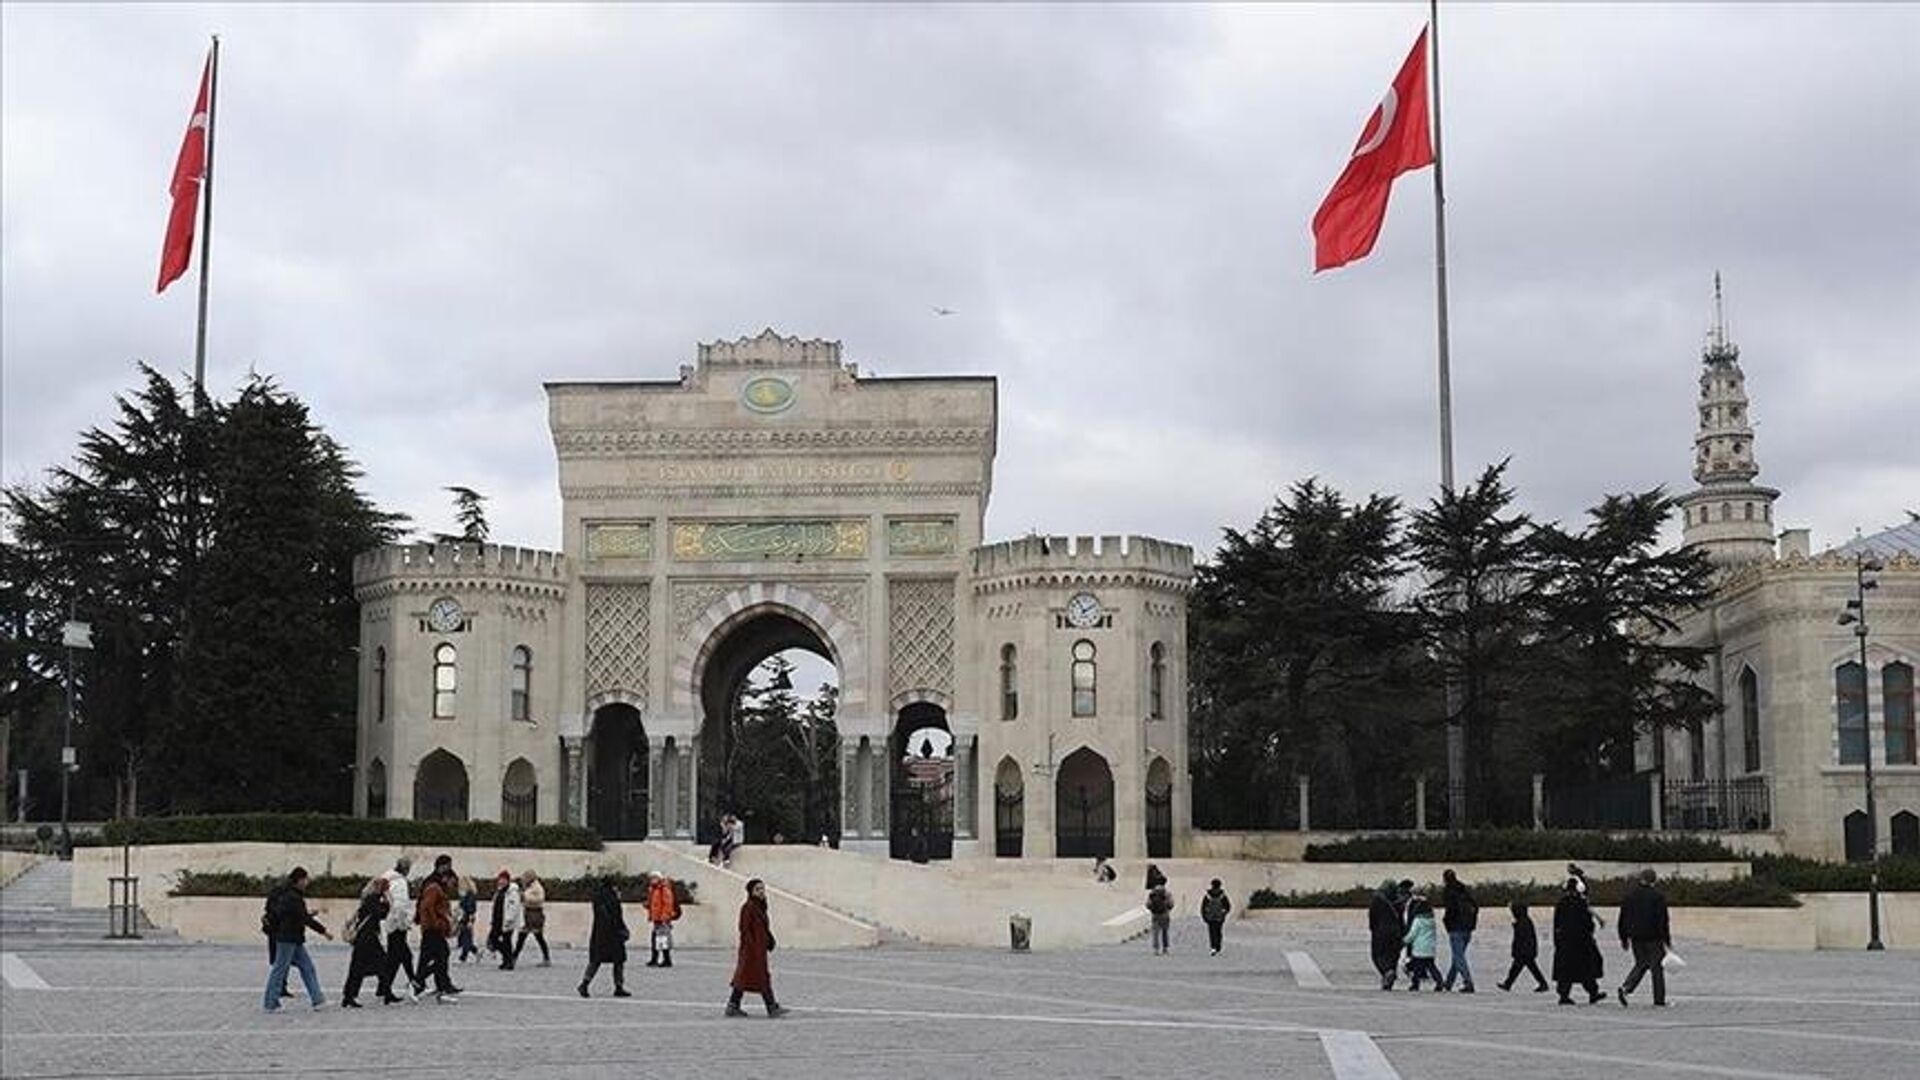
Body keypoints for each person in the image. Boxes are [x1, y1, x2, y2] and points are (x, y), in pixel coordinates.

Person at [262, 867, 332, 1012]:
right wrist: (323, 931)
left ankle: (318, 1000)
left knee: (308, 968)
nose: (307, 882)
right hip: (287, 939)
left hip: (293, 938)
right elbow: (303, 918)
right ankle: (271, 1003)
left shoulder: (290, 895)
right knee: (280, 970)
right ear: (299, 880)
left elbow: (298, 916)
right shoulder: (293, 897)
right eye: (306, 879)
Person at [727, 878, 786, 1017]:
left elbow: (763, 927)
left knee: (744, 978)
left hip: (759, 949)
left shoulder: (760, 906)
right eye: (757, 889)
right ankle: (771, 1007)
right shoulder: (748, 907)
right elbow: (744, 929)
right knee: (760, 977)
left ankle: (733, 1005)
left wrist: (769, 939)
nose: (761, 892)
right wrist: (752, 947)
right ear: (751, 891)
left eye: (762, 889)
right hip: (751, 950)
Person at [1616, 868, 1672, 1007]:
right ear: (1654, 880)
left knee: (1641, 963)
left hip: (1636, 937)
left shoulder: (1630, 896)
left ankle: (1626, 988)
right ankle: (1659, 999)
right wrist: (1666, 939)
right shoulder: (1658, 896)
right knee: (1656, 969)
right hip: (1653, 937)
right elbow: (1662, 920)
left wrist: (1623, 938)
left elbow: (1623, 918)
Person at [1552, 877, 1608, 1005]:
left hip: (1565, 942)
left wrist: (1557, 941)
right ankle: (1593, 993)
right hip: (1582, 942)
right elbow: (1588, 924)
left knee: (1566, 971)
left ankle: (1564, 995)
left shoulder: (1561, 903)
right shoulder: (1582, 903)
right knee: (1586, 970)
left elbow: (1556, 924)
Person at [341, 877, 392, 1008]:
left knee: (371, 966)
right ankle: (350, 996)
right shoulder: (372, 899)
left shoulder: (370, 898)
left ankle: (386, 992)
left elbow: (381, 914)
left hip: (367, 938)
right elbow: (380, 913)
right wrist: (386, 903)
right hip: (367, 939)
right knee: (374, 965)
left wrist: (385, 903)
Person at [377, 856, 421, 1003]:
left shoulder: (387, 876)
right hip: (397, 924)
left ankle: (386, 987)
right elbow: (400, 906)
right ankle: (413, 983)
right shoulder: (400, 882)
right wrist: (404, 923)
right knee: (399, 956)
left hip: (389, 923)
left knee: (398, 956)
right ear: (406, 868)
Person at [580, 876, 631, 998]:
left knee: (596, 961)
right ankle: (618, 986)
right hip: (613, 933)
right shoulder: (612, 897)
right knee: (618, 961)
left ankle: (585, 983)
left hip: (599, 933)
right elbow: (616, 916)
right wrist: (622, 930)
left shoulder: (598, 896)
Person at [415, 867, 460, 1002]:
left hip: (433, 929)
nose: (453, 886)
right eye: (453, 882)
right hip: (432, 930)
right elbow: (426, 906)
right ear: (446, 878)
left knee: (430, 957)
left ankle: (428, 984)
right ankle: (418, 981)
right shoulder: (435, 888)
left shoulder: (438, 888)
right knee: (441, 955)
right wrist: (436, 923)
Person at [1496, 901, 1549, 993]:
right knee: (1525, 969)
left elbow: (1521, 940)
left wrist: (1516, 951)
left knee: (1519, 969)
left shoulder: (1523, 922)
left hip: (1524, 951)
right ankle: (1508, 984)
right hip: (1527, 951)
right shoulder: (1525, 921)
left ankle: (1508, 984)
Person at [1440, 868, 1478, 993]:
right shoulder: (1464, 889)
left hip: (1456, 928)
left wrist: (1446, 923)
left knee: (1458, 957)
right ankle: (1449, 982)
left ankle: (1468, 982)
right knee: (1457, 956)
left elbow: (1450, 910)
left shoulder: (1448, 892)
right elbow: (1475, 906)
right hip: (1468, 928)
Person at [1367, 879, 1407, 990]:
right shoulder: (1399, 902)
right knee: (1393, 956)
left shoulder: (1377, 899)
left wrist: (1372, 928)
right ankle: (1389, 979)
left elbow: (1372, 917)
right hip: (1396, 932)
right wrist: (1403, 933)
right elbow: (1401, 919)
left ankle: (1386, 972)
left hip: (1381, 932)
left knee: (1378, 955)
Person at [1402, 890, 1443, 991]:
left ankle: (1415, 985)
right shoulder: (1432, 921)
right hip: (1430, 950)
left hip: (1419, 950)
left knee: (1417, 968)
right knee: (1432, 967)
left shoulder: (1418, 920)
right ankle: (1439, 982)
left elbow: (1412, 934)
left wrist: (1404, 941)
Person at [261, 878, 292, 1000]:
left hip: (274, 931)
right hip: (280, 931)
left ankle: (280, 986)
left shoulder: (274, 897)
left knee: (277, 961)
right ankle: (279, 987)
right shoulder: (284, 898)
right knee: (281, 962)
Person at [490, 868, 524, 970]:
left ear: (508, 880)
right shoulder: (500, 891)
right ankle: (507, 959)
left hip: (506, 921)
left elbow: (514, 907)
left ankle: (508, 962)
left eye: (504, 879)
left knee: (506, 941)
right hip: (497, 920)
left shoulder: (512, 892)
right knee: (494, 941)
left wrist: (509, 919)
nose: (501, 881)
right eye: (500, 879)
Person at [647, 873, 682, 968]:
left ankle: (666, 959)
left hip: (662, 919)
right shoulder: (654, 889)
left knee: (662, 939)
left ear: (658, 878)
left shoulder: (664, 889)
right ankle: (655, 959)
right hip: (657, 918)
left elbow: (667, 904)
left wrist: (664, 917)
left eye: (653, 878)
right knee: (656, 939)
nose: (651, 880)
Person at [516, 871, 551, 967]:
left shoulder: (537, 887)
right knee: (537, 937)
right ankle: (546, 958)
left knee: (523, 936)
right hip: (529, 914)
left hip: (534, 914)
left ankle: (514, 956)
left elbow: (540, 899)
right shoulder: (530, 887)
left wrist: (525, 896)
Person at [1200, 878, 1231, 956]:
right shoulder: (1222, 895)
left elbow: (1203, 906)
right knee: (1218, 932)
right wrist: (1224, 913)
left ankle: (1213, 947)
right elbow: (1228, 906)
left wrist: (1204, 916)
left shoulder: (1208, 895)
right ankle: (1218, 947)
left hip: (1210, 917)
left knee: (1212, 932)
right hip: (1219, 917)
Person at [455, 876, 480, 964]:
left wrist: (470, 920)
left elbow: (471, 909)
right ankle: (474, 952)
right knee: (464, 937)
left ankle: (463, 957)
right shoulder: (465, 895)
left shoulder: (470, 895)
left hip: (467, 918)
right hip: (463, 918)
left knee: (466, 938)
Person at [1146, 882, 1173, 955]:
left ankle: (1156, 949)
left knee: (1155, 933)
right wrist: (1167, 908)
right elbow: (1171, 904)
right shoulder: (1167, 893)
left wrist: (1153, 909)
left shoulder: (1152, 893)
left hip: (1155, 915)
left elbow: (1148, 904)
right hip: (1165, 915)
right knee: (1165, 932)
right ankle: (1165, 948)